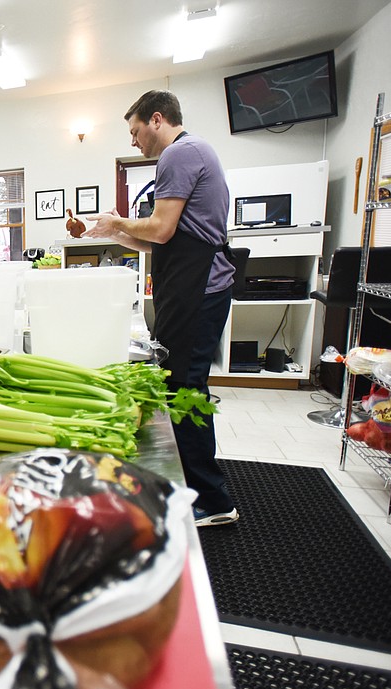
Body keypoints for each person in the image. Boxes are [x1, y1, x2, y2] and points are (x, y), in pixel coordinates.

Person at [85, 89, 239, 528]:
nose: (133, 141)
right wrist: (112, 233)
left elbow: (162, 228)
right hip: (193, 287)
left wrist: (117, 221)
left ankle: (212, 498)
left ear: (157, 119)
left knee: (186, 389)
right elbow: (155, 237)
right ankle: (196, 483)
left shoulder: (179, 153)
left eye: (134, 132)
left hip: (199, 289)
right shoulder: (192, 152)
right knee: (182, 385)